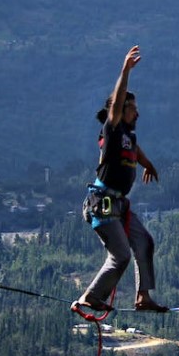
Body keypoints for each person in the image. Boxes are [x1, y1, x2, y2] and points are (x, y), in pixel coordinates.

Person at [73, 45, 168, 313]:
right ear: (121, 109)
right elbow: (117, 102)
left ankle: (143, 297)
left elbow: (135, 151)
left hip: (119, 205)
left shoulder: (128, 135)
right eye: (132, 108)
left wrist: (148, 163)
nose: (137, 113)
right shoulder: (112, 129)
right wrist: (125, 70)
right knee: (121, 255)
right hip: (102, 203)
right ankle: (91, 296)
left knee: (144, 242)